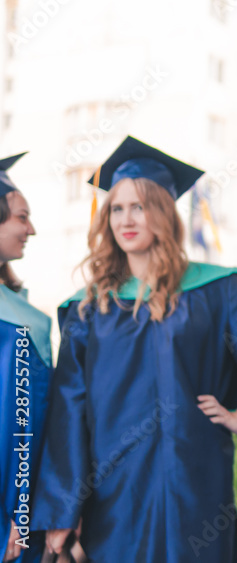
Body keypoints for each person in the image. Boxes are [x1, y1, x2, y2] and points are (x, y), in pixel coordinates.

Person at [33, 136, 237, 563]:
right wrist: (64, 507)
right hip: (115, 491)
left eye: (139, 207)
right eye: (117, 208)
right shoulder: (89, 307)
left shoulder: (218, 288)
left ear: (162, 212)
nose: (126, 219)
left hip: (195, 482)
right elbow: (69, 410)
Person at [0, 153, 49, 563]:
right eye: (21, 217)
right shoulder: (15, 324)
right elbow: (22, 420)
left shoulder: (21, 315)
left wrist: (19, 511)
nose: (30, 229)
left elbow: (26, 420)